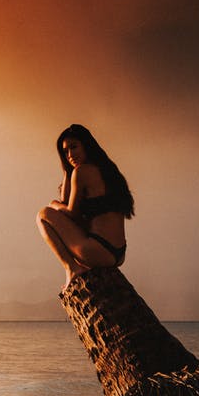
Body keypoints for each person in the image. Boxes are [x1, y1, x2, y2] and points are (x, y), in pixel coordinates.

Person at [37, 124, 134, 289]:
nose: (70, 154)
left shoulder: (82, 171)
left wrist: (53, 204)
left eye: (74, 147)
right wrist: (68, 170)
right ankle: (75, 267)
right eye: (65, 152)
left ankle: (72, 269)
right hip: (118, 254)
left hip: (98, 250)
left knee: (43, 214)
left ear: (86, 146)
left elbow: (71, 212)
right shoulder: (108, 170)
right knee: (58, 214)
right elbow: (67, 201)